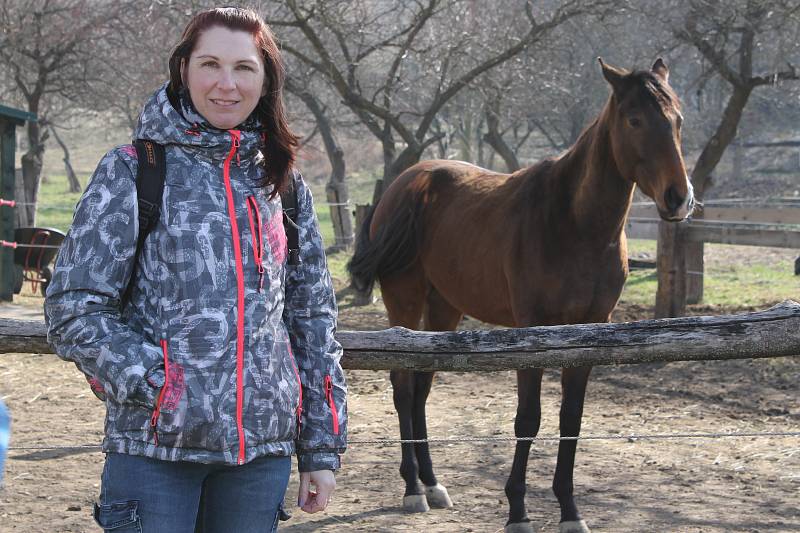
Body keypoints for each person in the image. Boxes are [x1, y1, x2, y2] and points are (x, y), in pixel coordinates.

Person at [44, 7, 346, 532]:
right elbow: (73, 308)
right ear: (183, 69)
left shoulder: (282, 184)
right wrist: (164, 385)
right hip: (155, 451)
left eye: (244, 68)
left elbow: (312, 319)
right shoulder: (135, 169)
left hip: (260, 456)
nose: (226, 84)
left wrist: (320, 448)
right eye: (210, 64)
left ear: (266, 77)